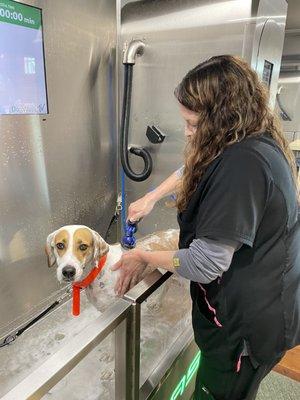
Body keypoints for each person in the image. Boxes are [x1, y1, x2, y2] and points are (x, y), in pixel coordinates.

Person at [111, 55, 300, 399]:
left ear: (223, 117)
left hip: (245, 331)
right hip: (265, 308)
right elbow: (192, 169)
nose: (186, 132)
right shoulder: (250, 138)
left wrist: (145, 256)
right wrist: (153, 196)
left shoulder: (242, 165)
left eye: (194, 125)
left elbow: (207, 262)